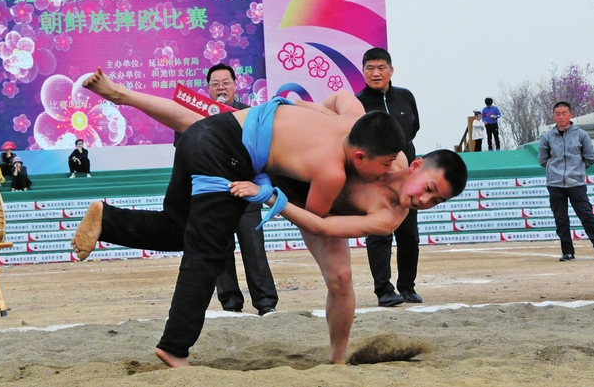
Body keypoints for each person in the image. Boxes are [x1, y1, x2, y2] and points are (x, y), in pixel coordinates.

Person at [73, 68, 407, 367]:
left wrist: (302, 104)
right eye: (385, 164)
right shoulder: (331, 171)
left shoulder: (350, 119)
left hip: (204, 140)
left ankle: (109, 220)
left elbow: (341, 97)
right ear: (362, 154)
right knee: (208, 251)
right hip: (226, 156)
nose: (388, 169)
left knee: (178, 231)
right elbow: (315, 221)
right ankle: (174, 347)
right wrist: (269, 195)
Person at [204, 63, 278, 316]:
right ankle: (230, 303)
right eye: (215, 83)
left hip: (247, 192)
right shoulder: (196, 115)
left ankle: (266, 302)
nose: (221, 87)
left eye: (226, 82)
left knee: (254, 249)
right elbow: (185, 150)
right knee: (221, 252)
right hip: (213, 196)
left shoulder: (252, 114)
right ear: (208, 88)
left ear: (235, 85)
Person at [354, 47, 422, 307]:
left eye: (381, 67)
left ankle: (407, 287)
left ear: (391, 70)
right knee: (379, 235)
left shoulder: (405, 98)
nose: (376, 73)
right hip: (375, 181)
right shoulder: (357, 102)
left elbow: (413, 129)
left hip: (407, 178)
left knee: (409, 236)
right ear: (363, 72)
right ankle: (383, 289)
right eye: (370, 68)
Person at [538, 101, 594, 261]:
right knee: (561, 219)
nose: (561, 117)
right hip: (555, 185)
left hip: (576, 184)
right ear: (553, 116)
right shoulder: (547, 137)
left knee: (586, 216)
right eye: (558, 114)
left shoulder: (581, 135)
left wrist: (577, 170)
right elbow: (543, 160)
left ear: (571, 115)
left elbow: (590, 158)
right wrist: (554, 171)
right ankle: (567, 252)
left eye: (564, 113)